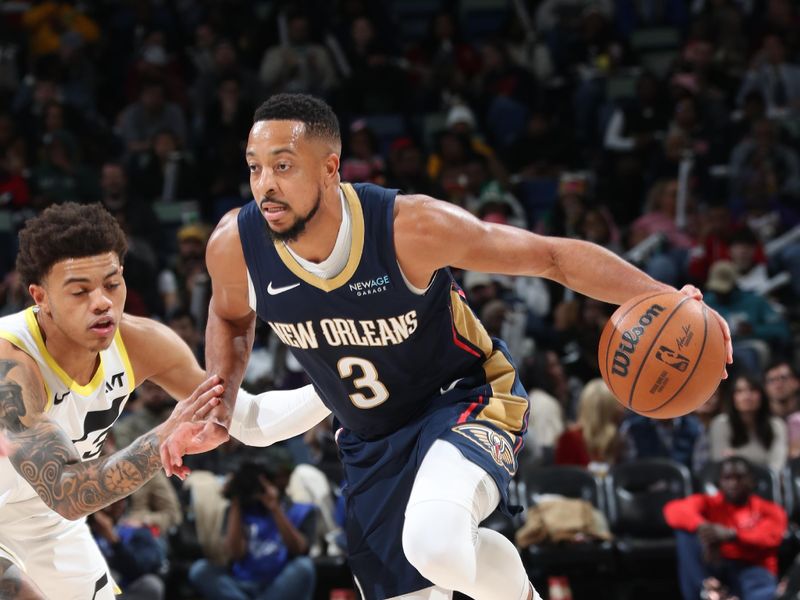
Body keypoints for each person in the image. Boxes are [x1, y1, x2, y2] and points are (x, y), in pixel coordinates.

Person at [163, 93, 732, 600]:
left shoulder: (408, 227)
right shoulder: (234, 245)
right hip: (368, 436)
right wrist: (222, 397)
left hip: (464, 396)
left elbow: (550, 256)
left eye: (283, 167)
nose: (265, 184)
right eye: (255, 167)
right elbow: (229, 314)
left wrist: (667, 295)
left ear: (330, 168)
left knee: (435, 543)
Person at [0, 203, 230, 599]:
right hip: (52, 501)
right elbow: (68, 492)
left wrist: (330, 396)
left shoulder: (142, 342)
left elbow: (241, 412)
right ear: (41, 297)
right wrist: (161, 441)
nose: (102, 301)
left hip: (41, 518)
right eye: (80, 291)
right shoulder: (9, 361)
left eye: (111, 284)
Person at [188, 458, 317, 600]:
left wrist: (275, 508)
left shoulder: (298, 509)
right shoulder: (237, 511)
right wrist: (235, 498)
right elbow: (235, 553)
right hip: (241, 584)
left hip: (278, 583)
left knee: (304, 567)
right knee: (200, 570)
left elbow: (300, 549)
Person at [664, 456, 787, 600]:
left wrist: (731, 535)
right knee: (685, 533)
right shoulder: (709, 502)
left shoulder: (768, 509)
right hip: (717, 565)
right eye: (727, 478)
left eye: (739, 478)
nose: (733, 483)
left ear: (752, 481)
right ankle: (706, 590)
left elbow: (771, 537)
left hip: (753, 568)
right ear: (719, 482)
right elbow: (672, 510)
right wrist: (703, 527)